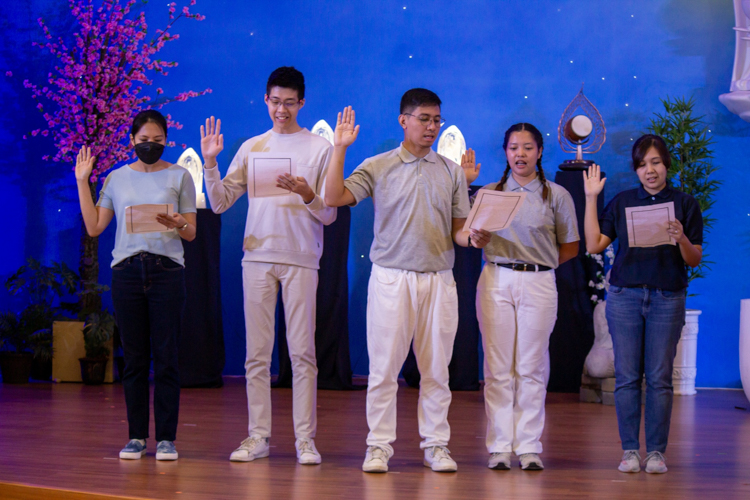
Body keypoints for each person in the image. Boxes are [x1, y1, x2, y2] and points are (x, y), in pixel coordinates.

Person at [324, 89, 482, 473]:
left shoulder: (449, 171)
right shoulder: (378, 165)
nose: (431, 127)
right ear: (404, 120)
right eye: (424, 119)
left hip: (439, 280)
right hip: (391, 278)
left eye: (436, 120)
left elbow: (460, 232)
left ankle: (437, 445)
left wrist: (476, 236)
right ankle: (378, 446)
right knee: (383, 369)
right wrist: (339, 149)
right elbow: (332, 196)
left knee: (436, 370)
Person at [199, 66, 336, 465]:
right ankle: (257, 437)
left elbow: (328, 215)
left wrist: (310, 194)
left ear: (302, 103)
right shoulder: (252, 147)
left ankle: (305, 440)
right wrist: (210, 163)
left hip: (301, 259)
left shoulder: (319, 149)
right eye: (275, 101)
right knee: (257, 355)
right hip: (257, 258)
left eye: (290, 103)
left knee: (302, 353)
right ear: (266, 100)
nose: (282, 110)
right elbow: (221, 202)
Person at [75, 109, 197, 461]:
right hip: (127, 272)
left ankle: (167, 439)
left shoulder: (179, 176)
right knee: (134, 360)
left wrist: (176, 222)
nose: (150, 146)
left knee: (168, 357)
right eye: (144, 140)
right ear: (132, 140)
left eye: (157, 141)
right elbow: (95, 227)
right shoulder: (116, 178)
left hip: (167, 272)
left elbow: (191, 232)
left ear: (166, 140)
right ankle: (136, 437)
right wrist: (84, 182)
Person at [583, 134, 703, 474]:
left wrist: (680, 237)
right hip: (625, 298)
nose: (649, 171)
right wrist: (591, 198)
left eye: (655, 162)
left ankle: (657, 453)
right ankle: (630, 451)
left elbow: (694, 259)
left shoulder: (686, 203)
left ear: (667, 165)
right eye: (642, 165)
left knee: (660, 377)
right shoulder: (622, 202)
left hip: (667, 297)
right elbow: (594, 244)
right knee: (627, 377)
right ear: (636, 170)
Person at [471, 123, 579, 471]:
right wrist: (479, 239)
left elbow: (571, 245)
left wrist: (539, 266)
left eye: (528, 148)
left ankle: (529, 446)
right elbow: (468, 236)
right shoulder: (489, 192)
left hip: (539, 282)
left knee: (532, 366)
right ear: (505, 152)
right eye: (514, 147)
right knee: (498, 367)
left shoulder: (556, 195)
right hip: (496, 279)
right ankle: (500, 446)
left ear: (540, 152)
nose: (520, 154)